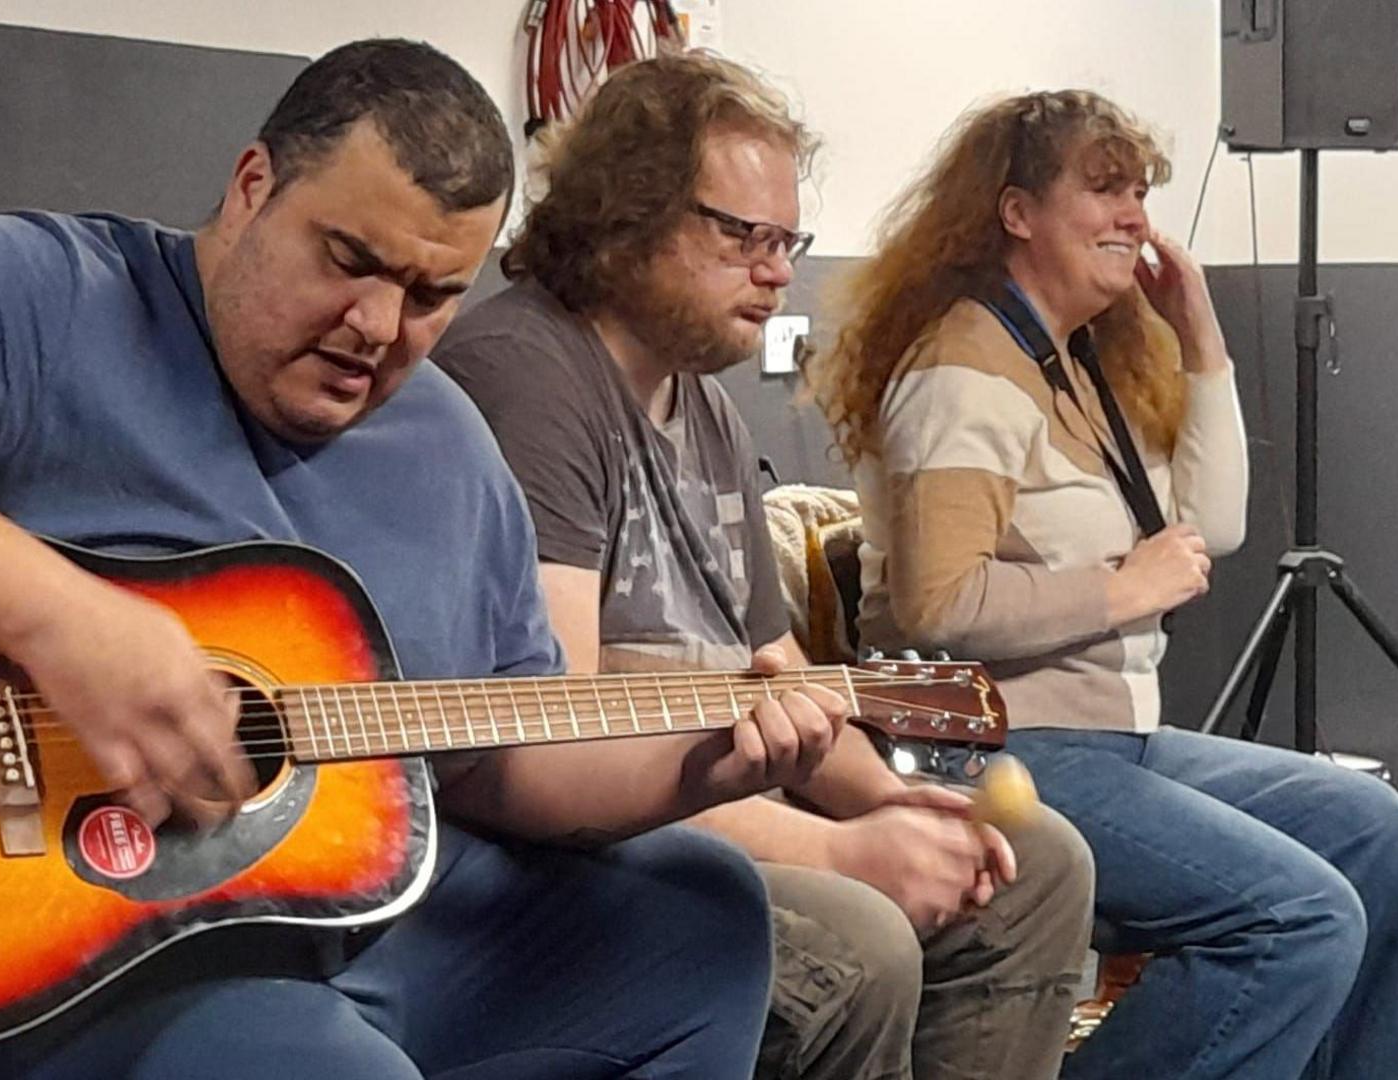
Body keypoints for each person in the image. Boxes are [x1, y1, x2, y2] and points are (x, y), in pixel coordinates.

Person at [0, 38, 849, 1080]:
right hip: (87, 937)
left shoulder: (451, 448)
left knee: (700, 913)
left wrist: (709, 763)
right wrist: (56, 618)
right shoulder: (51, 296)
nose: (378, 325)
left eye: (433, 296)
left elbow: (502, 756)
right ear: (250, 187)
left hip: (349, 915)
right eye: (350, 260)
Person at [435, 54, 1094, 1080]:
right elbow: (555, 735)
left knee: (1038, 865)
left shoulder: (698, 398)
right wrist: (835, 850)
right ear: (625, 216)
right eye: (744, 235)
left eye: (789, 241)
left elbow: (776, 671)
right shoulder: (525, 378)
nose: (779, 270)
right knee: (859, 941)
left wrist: (883, 799)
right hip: (588, 836)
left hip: (717, 800)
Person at [808, 89, 1398, 1080]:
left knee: (1370, 826)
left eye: (1140, 190)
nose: (1134, 214)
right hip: (998, 744)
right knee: (1298, 919)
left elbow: (1206, 530)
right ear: (1016, 213)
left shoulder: (1073, 362)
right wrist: (1118, 590)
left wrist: (1202, 339)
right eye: (1103, 190)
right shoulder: (962, 369)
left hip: (1107, 736)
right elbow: (934, 609)